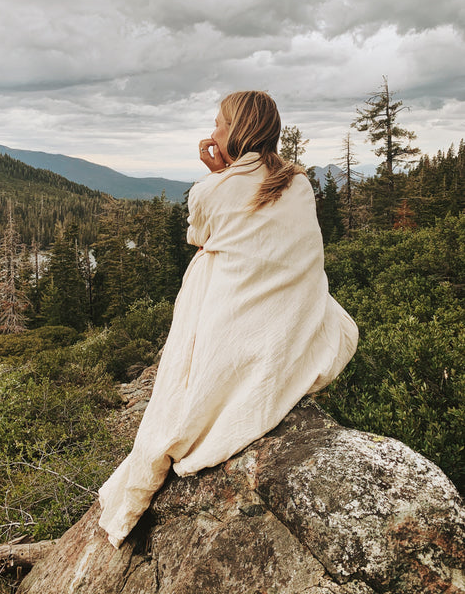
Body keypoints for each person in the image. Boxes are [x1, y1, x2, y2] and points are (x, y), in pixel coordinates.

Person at [98, 90, 358, 548]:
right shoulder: (297, 182)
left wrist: (216, 175)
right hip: (296, 309)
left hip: (239, 307)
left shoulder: (210, 190)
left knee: (205, 273)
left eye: (219, 122)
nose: (212, 130)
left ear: (236, 131)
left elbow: (201, 235)